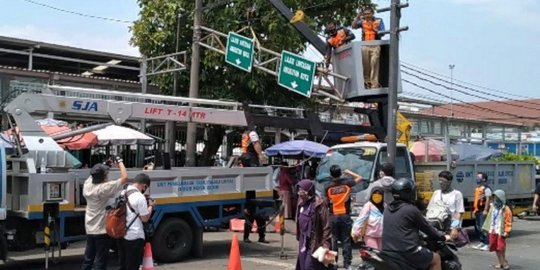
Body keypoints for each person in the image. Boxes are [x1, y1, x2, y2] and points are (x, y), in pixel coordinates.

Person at [383, 178, 450, 270]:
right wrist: (443, 236)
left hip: (388, 250)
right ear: (408, 193)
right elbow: (427, 228)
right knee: (436, 258)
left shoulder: (387, 208)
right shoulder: (411, 209)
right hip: (407, 251)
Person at [81, 156, 128, 270]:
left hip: (89, 227)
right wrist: (120, 161)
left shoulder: (87, 186)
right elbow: (124, 177)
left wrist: (104, 165)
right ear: (103, 177)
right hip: (101, 229)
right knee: (101, 260)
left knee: (88, 258)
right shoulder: (103, 188)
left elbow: (92, 175)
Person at [325, 165, 363, 270]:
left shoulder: (328, 187)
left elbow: (327, 202)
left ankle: (333, 264)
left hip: (333, 216)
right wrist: (349, 172)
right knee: (346, 240)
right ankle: (347, 264)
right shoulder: (346, 183)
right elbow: (360, 178)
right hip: (345, 215)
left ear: (331, 174)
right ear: (340, 173)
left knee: (333, 240)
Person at [119, 173, 155, 270]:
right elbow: (145, 218)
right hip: (135, 236)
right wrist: (151, 206)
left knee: (123, 265)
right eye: (146, 188)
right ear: (144, 185)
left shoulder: (123, 192)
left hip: (122, 234)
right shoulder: (140, 197)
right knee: (133, 266)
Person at [295, 179, 333, 270]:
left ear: (309, 191)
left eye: (303, 190)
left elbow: (326, 225)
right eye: (299, 190)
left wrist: (326, 243)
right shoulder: (300, 203)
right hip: (303, 241)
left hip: (315, 242)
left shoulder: (319, 204)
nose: (300, 193)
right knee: (302, 265)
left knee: (310, 266)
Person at [352, 6, 385, 89]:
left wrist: (375, 30)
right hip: (365, 45)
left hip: (375, 45)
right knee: (366, 65)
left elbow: (383, 32)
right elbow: (353, 26)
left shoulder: (379, 20)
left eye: (368, 14)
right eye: (365, 14)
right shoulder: (362, 22)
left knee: (374, 63)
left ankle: (374, 84)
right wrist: (358, 16)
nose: (367, 15)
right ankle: (367, 83)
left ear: (372, 13)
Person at [427, 171, 465, 240]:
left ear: (449, 182)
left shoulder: (457, 194)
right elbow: (429, 210)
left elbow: (459, 213)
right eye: (439, 180)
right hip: (435, 228)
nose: (440, 183)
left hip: (449, 228)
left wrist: (454, 228)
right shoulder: (436, 193)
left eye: (443, 181)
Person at [482, 190, 512, 270]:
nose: (495, 199)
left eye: (497, 197)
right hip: (493, 230)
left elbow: (508, 221)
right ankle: (501, 262)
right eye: (494, 197)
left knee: (501, 247)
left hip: (500, 231)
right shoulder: (492, 207)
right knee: (495, 247)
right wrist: (486, 228)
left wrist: (507, 231)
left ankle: (504, 263)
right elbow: (489, 218)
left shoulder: (506, 208)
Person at [473, 172, 492, 251]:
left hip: (482, 210)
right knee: (478, 227)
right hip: (477, 210)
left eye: (479, 177)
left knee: (483, 227)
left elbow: (488, 199)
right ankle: (482, 242)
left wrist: (485, 210)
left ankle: (487, 243)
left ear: (484, 179)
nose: (477, 179)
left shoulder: (486, 189)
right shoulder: (478, 188)